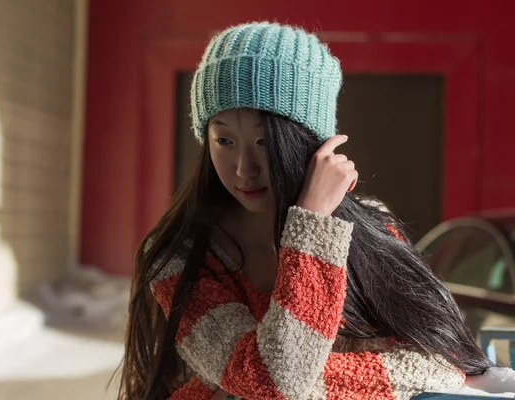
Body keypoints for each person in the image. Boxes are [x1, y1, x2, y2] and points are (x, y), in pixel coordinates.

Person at [118, 21, 494, 400]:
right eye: (224, 140)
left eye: (265, 141)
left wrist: (303, 384)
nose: (243, 168)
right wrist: (311, 225)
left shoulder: (369, 229)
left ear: (309, 143)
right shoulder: (181, 254)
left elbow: (442, 361)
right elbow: (272, 380)